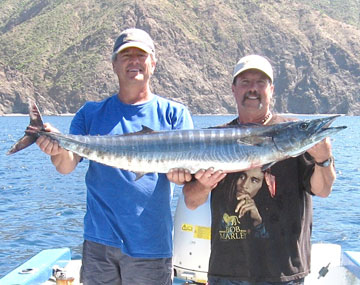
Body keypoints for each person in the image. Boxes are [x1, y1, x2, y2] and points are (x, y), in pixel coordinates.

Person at [35, 28, 193, 285]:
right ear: (114, 64)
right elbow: (66, 166)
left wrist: (183, 176)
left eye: (140, 55)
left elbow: (184, 178)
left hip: (150, 245)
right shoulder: (91, 113)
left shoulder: (174, 115)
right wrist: (57, 146)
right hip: (100, 243)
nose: (134, 61)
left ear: (153, 63)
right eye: (126, 55)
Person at [167, 55, 336, 284]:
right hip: (227, 272)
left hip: (284, 273)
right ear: (234, 89)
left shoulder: (298, 136)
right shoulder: (213, 137)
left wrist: (323, 160)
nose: (253, 89)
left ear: (272, 89)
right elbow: (192, 201)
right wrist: (203, 184)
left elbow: (323, 190)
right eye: (245, 82)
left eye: (261, 82)